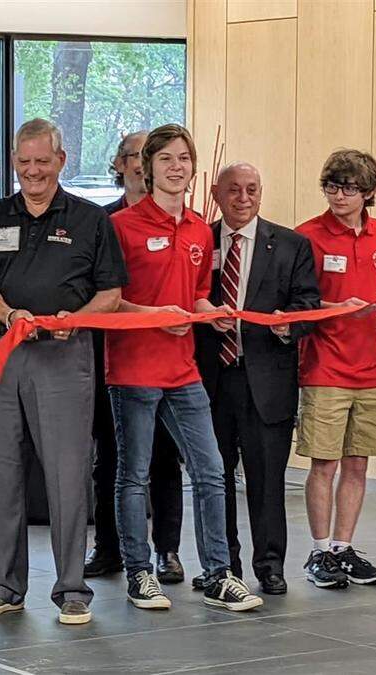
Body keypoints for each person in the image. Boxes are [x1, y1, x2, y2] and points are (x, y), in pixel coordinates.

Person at [0, 118, 126, 626]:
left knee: (67, 475)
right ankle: (4, 586)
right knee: (2, 473)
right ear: (14, 161)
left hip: (65, 355)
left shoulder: (90, 220)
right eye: (24, 161)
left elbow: (111, 293)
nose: (32, 171)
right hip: (6, 351)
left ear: (61, 160)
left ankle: (72, 589)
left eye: (42, 161)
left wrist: (76, 319)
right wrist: (8, 314)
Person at [107, 124, 263, 613]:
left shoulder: (199, 229)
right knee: (134, 476)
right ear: (147, 167)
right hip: (133, 370)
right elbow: (109, 302)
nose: (177, 167)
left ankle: (217, 574)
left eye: (184, 159)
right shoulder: (122, 226)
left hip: (183, 370)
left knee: (212, 471)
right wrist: (156, 316)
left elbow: (195, 294)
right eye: (166, 159)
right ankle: (139, 573)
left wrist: (209, 312)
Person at [193, 162, 320, 596]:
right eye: (233, 190)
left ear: (261, 193)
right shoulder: (199, 242)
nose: (243, 198)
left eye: (251, 189)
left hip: (266, 380)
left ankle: (270, 565)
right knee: (214, 479)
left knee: (267, 481)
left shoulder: (290, 245)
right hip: (210, 379)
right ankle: (221, 565)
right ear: (216, 193)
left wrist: (288, 324)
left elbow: (308, 304)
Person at [295, 149, 376, 590]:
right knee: (324, 464)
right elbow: (299, 301)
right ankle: (318, 551)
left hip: (371, 367)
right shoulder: (307, 235)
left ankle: (343, 548)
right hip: (324, 364)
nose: (339, 196)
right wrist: (337, 306)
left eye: (349, 188)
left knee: (357, 463)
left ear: (368, 192)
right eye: (332, 186)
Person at [87, 130, 186, 584]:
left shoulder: (181, 222)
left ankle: (167, 550)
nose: (142, 164)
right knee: (110, 457)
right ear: (120, 163)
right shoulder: (102, 221)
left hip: (168, 361)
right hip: (114, 360)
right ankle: (109, 548)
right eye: (134, 156)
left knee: (165, 458)